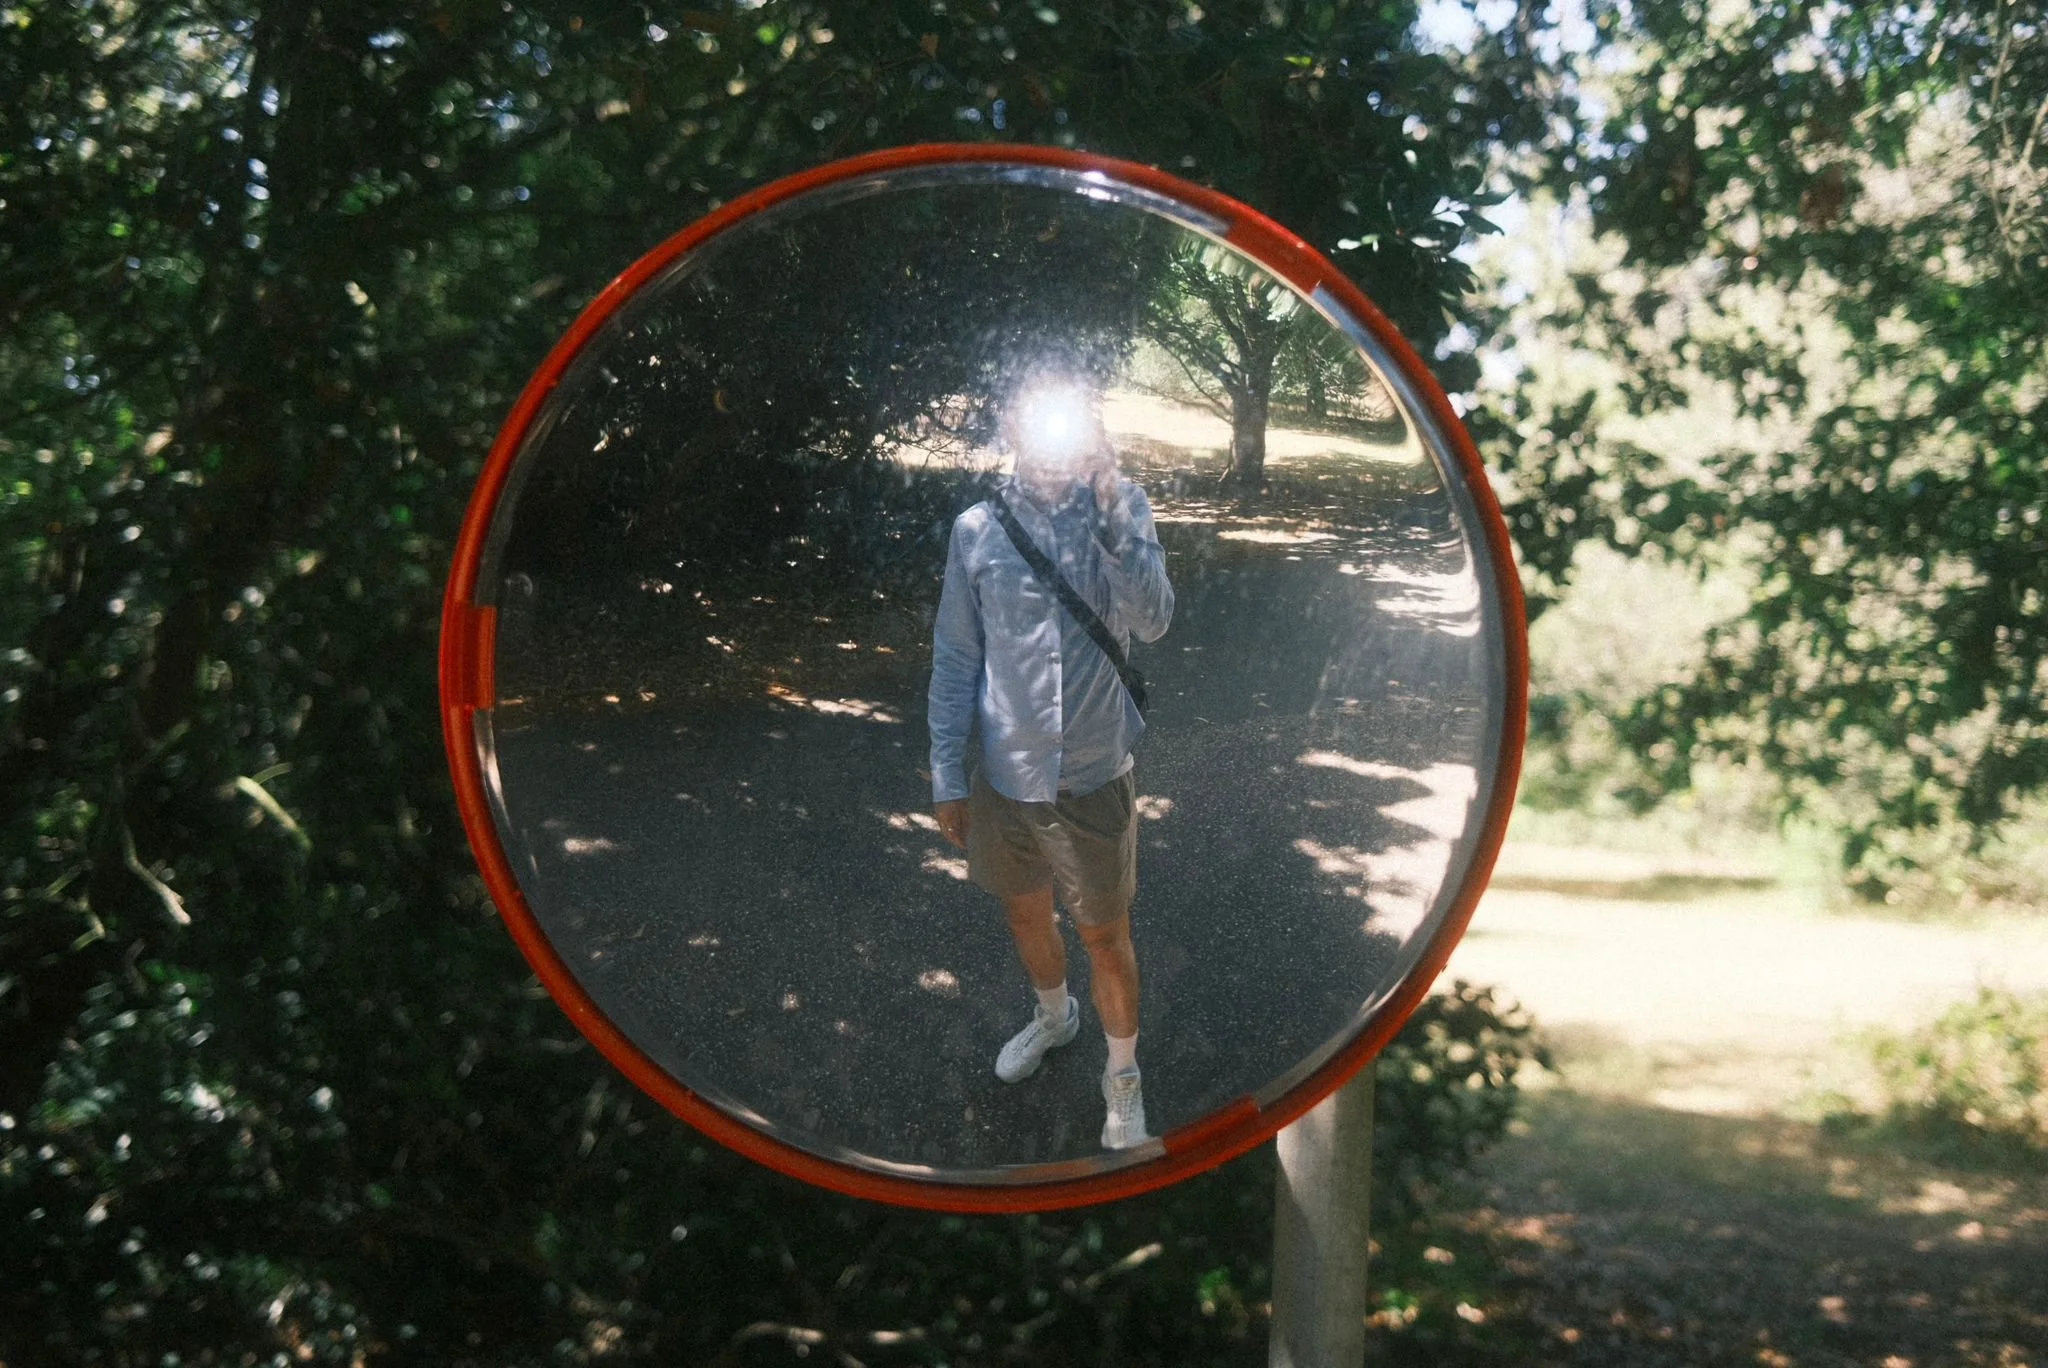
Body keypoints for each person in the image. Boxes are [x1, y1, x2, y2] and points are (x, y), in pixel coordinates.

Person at [926, 377, 1175, 1150]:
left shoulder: (1123, 507)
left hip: (1092, 773)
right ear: (1010, 428)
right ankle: (1053, 1016)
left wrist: (1110, 509)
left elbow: (1153, 621)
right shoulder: (976, 530)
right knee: (1024, 913)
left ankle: (1123, 1076)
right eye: (1035, 422)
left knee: (1105, 937)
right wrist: (946, 772)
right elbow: (956, 656)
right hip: (1004, 778)